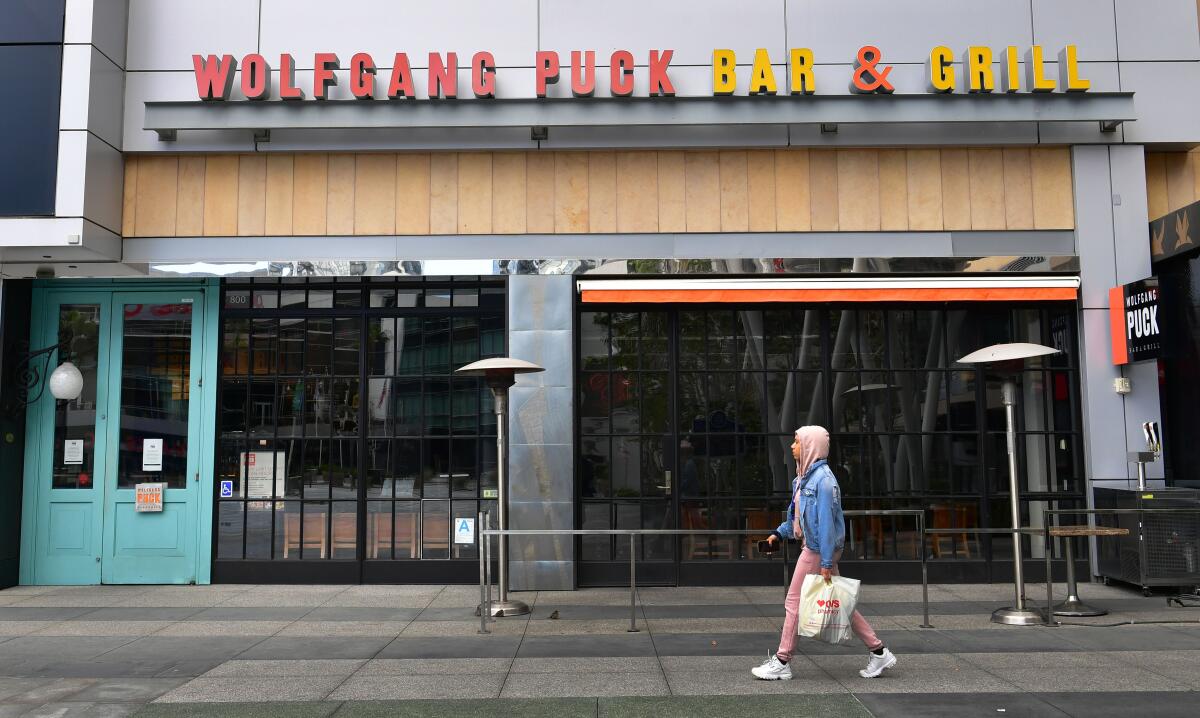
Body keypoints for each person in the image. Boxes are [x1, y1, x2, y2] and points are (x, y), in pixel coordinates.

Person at [751, 426, 897, 680]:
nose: (792, 446)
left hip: (818, 549)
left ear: (810, 446)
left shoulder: (825, 482)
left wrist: (826, 562)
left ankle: (782, 661)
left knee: (793, 603)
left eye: (796, 442)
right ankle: (879, 651)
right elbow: (797, 517)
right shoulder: (803, 479)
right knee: (840, 602)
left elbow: (827, 525)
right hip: (817, 548)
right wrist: (778, 534)